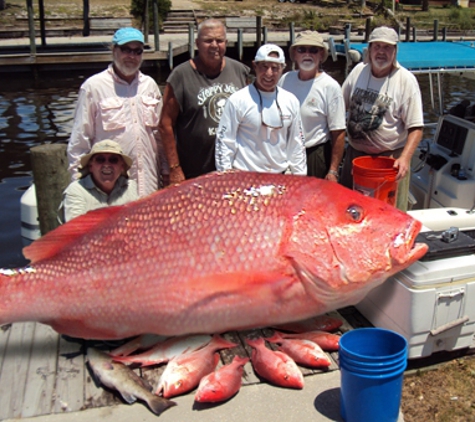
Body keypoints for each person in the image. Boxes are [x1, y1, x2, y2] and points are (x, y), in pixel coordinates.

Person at [67, 27, 167, 198]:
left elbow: (160, 137)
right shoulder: (93, 87)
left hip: (149, 183)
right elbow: (80, 142)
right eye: (126, 50)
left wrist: (166, 171)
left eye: (137, 51)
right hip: (110, 187)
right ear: (114, 50)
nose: (132, 56)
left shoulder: (150, 85)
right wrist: (78, 187)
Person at [341, 26, 423, 211]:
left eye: (387, 47)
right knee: (350, 211)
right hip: (355, 156)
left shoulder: (406, 80)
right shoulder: (358, 71)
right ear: (369, 50)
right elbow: (339, 106)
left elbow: (416, 128)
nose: (381, 52)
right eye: (377, 46)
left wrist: (405, 159)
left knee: (387, 214)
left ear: (395, 51)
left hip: (388, 160)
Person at [158, 18, 250, 184]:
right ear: (197, 43)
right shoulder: (180, 75)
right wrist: (174, 167)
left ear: (226, 43)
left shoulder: (240, 71)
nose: (214, 45)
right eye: (208, 40)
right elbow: (165, 124)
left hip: (235, 169)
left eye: (219, 40)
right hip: (194, 171)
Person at [215, 44, 306, 175]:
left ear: (282, 69)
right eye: (264, 66)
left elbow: (297, 144)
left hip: (279, 177)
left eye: (275, 68)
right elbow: (224, 142)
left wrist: (300, 178)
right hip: (245, 176)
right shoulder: (237, 100)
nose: (269, 73)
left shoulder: (291, 101)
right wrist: (225, 176)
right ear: (255, 66)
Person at [278, 30, 346, 181]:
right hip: (284, 153)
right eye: (302, 50)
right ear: (294, 54)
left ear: (321, 55)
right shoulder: (284, 79)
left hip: (315, 156)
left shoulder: (331, 87)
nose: (307, 54)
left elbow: (339, 133)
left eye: (313, 50)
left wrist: (333, 171)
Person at [61, 139, 139, 222]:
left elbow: (137, 221)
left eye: (113, 160)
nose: (106, 165)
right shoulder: (76, 190)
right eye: (100, 159)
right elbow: (75, 228)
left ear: (122, 167)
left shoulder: (130, 186)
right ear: (91, 166)